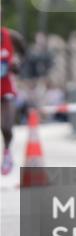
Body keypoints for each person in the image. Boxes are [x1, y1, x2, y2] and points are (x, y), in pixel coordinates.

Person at [1, 23, 27, 175]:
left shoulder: (11, 36)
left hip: (6, 88)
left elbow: (24, 54)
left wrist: (17, 63)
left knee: (6, 126)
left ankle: (7, 152)